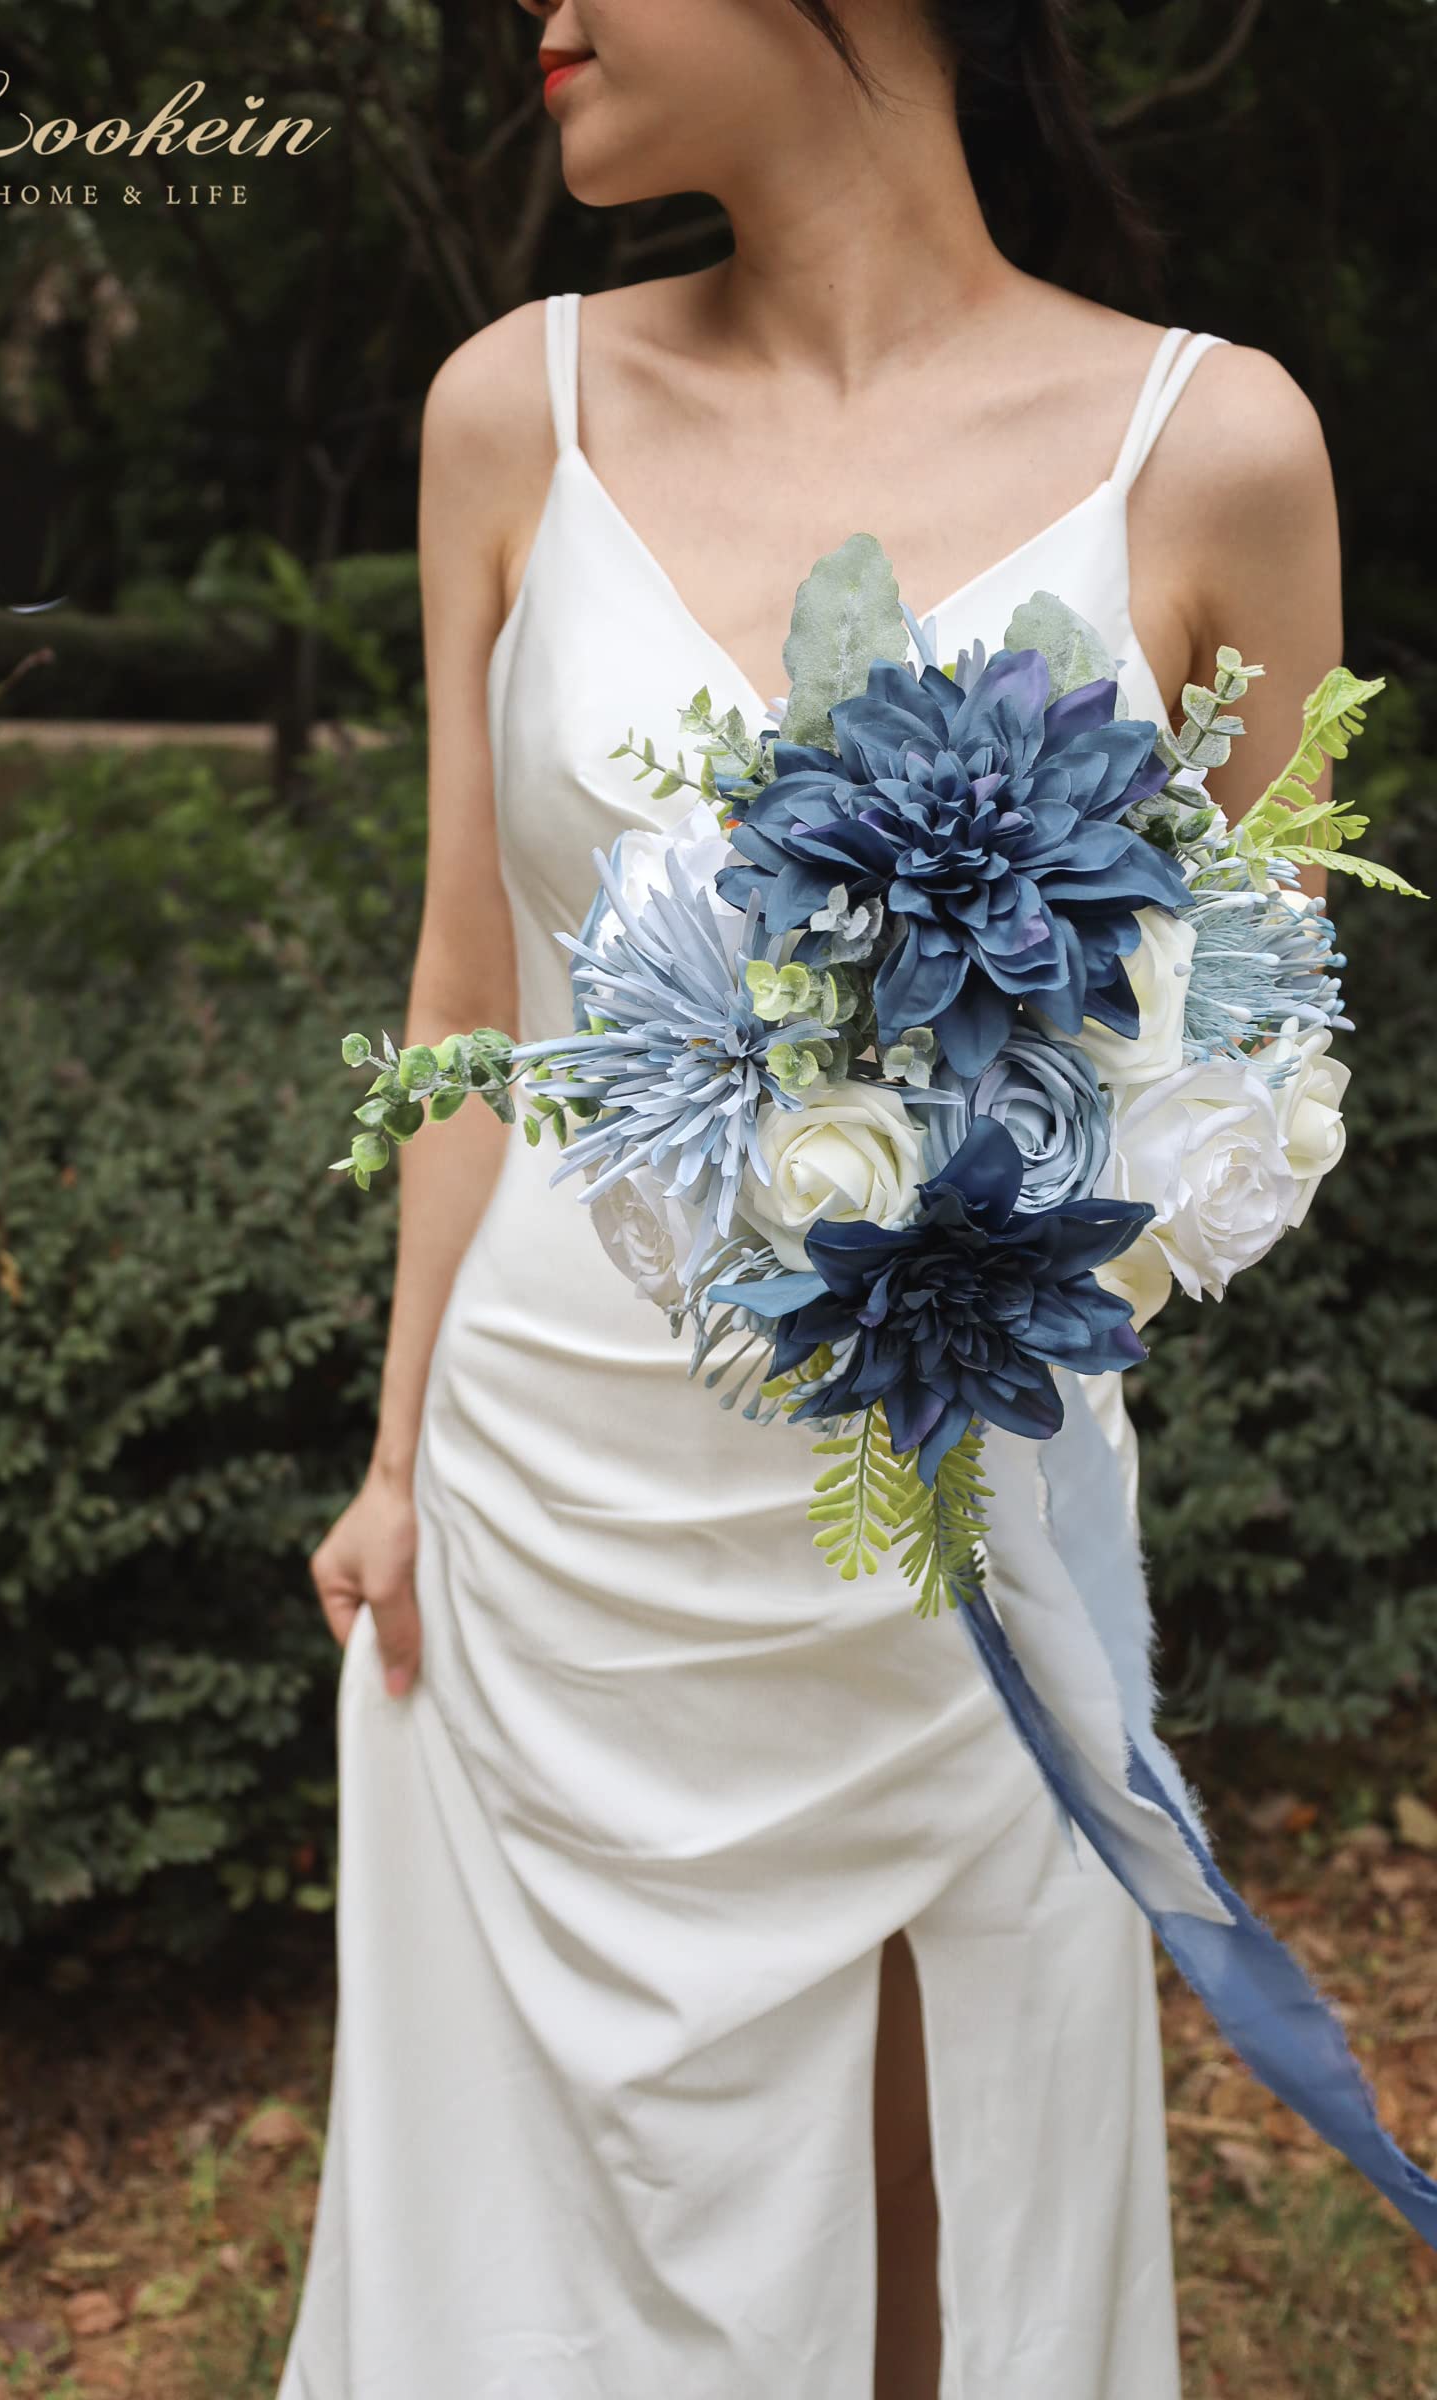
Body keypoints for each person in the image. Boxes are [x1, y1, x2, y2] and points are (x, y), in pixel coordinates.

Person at [281, 3, 1340, 2393]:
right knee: (546, 2229)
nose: (540, 16)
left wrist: (1022, 1200)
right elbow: (467, 992)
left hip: (952, 1509)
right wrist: (394, 1456)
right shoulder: (512, 408)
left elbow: (1254, 1035)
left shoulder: (1213, 446)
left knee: (945, 2210)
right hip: (552, 1508)